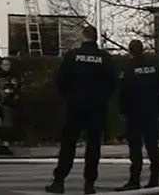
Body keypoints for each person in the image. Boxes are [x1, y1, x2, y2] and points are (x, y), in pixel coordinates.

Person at [45, 25, 117, 195]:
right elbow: (112, 84)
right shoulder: (104, 57)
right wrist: (100, 98)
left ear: (83, 37)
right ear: (96, 38)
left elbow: (61, 81)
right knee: (93, 146)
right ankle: (89, 183)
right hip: (96, 108)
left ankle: (59, 181)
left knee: (68, 143)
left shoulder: (72, 56)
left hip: (75, 106)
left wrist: (71, 97)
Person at [115, 39, 159, 190]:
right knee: (153, 147)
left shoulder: (128, 70)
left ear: (130, 51)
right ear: (142, 50)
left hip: (134, 115)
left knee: (136, 149)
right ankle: (154, 179)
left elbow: (122, 94)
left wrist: (123, 112)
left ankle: (134, 180)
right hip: (151, 113)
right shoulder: (154, 68)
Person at [0, 57, 21, 155]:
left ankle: (3, 145)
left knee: (8, 126)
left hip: (10, 104)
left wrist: (16, 99)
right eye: (5, 65)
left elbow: (16, 90)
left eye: (9, 65)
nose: (7, 67)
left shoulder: (13, 77)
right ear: (1, 66)